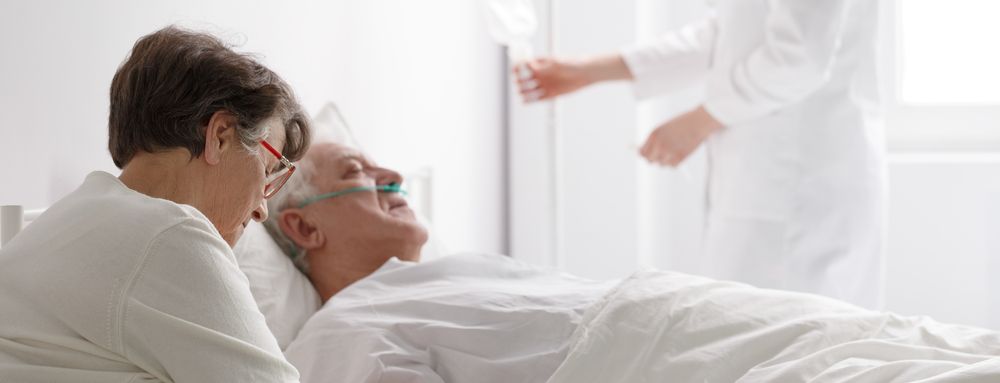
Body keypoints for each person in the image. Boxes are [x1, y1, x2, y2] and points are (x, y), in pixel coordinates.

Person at [264, 142, 1000, 383]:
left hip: (691, 314)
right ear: (302, 223)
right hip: (652, 354)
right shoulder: (342, 332)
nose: (394, 178)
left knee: (912, 342)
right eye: (363, 172)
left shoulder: (434, 274)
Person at [515, 0, 886, 308]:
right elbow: (734, 29)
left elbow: (800, 56)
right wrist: (590, 70)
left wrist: (700, 121)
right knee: (756, 336)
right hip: (777, 175)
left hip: (802, 183)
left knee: (787, 343)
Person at [0, 26, 310, 382]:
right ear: (220, 135)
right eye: (268, 169)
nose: (262, 209)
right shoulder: (172, 236)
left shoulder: (65, 221)